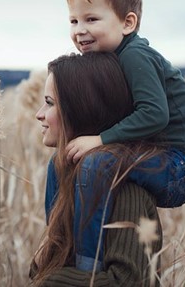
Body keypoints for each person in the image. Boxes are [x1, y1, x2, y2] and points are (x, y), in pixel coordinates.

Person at [64, 0, 185, 208]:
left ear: (127, 23)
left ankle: (89, 245)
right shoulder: (110, 61)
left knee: (96, 164)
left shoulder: (134, 55)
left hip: (180, 169)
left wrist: (100, 140)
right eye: (73, 21)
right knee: (62, 163)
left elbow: (154, 114)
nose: (79, 30)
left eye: (91, 19)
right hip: (152, 155)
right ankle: (59, 241)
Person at [31, 51, 163, 286]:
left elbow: (127, 282)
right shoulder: (67, 175)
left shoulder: (124, 188)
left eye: (50, 103)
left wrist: (49, 279)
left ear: (81, 108)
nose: (39, 114)